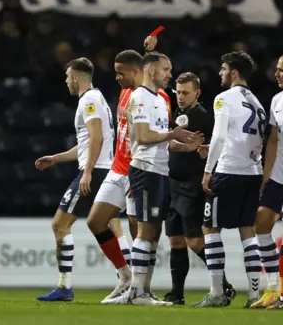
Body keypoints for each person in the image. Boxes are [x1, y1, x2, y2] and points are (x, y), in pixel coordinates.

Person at [104, 52, 200, 306]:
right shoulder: (140, 98)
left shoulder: (158, 98)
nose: (170, 74)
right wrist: (172, 134)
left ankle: (138, 291)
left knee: (152, 230)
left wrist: (184, 145)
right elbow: (144, 137)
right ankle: (137, 292)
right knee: (146, 230)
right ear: (150, 70)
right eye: (166, 69)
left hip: (158, 170)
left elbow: (160, 142)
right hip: (145, 171)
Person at [86, 39, 171, 304]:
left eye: (120, 72)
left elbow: (156, 134)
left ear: (135, 71)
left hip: (138, 169)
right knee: (95, 221)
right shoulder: (128, 92)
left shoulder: (161, 98)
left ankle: (141, 288)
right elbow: (144, 67)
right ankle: (125, 276)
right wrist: (147, 50)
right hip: (118, 168)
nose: (116, 77)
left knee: (142, 231)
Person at [33, 58, 115, 302]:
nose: (66, 81)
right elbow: (87, 143)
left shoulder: (88, 100)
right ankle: (128, 276)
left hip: (96, 170)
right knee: (104, 226)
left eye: (68, 76)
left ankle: (65, 287)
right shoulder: (97, 98)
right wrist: (56, 158)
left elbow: (97, 138)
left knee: (60, 225)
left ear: (77, 77)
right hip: (103, 168)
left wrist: (87, 171)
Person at [195, 51, 265, 308]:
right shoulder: (257, 102)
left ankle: (216, 293)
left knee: (210, 228)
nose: (220, 73)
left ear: (234, 72)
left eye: (224, 68)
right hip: (252, 172)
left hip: (227, 172)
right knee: (248, 232)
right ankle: (255, 295)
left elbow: (220, 136)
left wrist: (208, 169)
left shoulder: (224, 98)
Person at [162, 73, 235, 305]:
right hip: (173, 182)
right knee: (176, 241)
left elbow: (189, 144)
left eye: (185, 93)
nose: (180, 97)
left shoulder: (199, 116)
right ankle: (177, 294)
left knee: (194, 241)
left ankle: (223, 285)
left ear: (197, 93)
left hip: (191, 183)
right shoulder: (179, 114)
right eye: (178, 92)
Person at [252, 56, 283, 309]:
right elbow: (273, 140)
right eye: (277, 70)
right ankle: (273, 289)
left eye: (282, 70)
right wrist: (266, 174)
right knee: (261, 224)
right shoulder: (277, 100)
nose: (277, 74)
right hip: (278, 176)